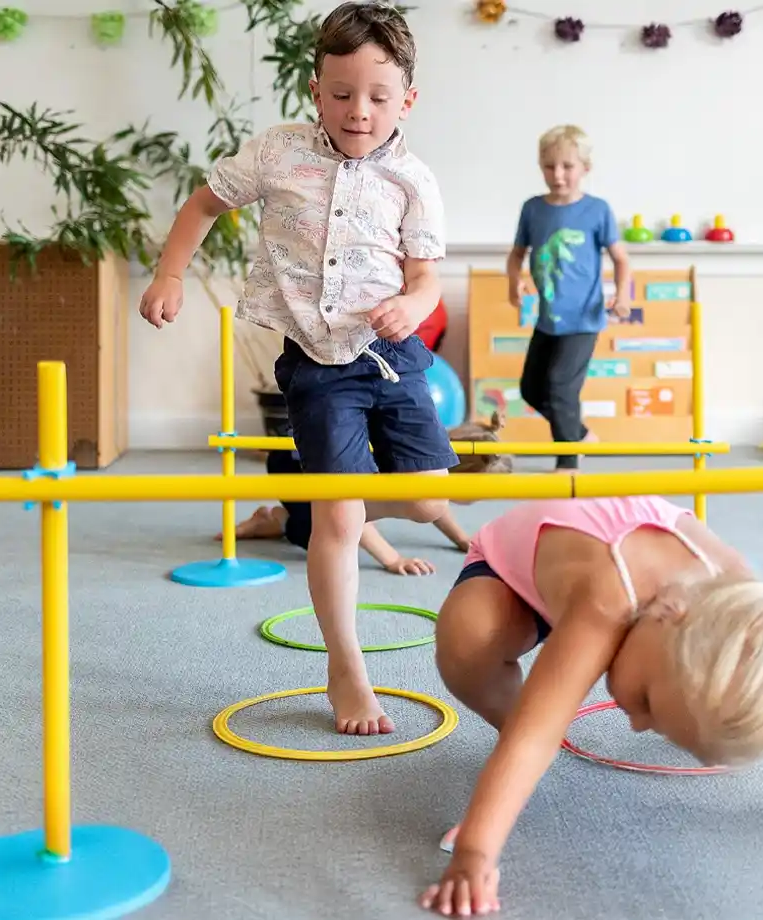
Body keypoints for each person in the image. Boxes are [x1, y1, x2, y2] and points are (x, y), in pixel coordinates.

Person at [139, 2, 456, 736]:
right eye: (341, 93)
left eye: (378, 97)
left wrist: (414, 303)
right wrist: (171, 276)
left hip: (393, 352)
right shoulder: (278, 152)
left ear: (407, 99)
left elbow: (428, 277)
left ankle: (301, 508)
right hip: (315, 359)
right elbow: (202, 205)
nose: (358, 111)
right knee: (341, 520)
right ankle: (346, 669)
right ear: (315, 90)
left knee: (426, 495)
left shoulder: (413, 179)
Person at [420, 497, 763, 915]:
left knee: (751, 687)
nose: (633, 724)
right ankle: (512, 712)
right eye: (648, 703)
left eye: (654, 722)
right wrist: (476, 853)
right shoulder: (608, 602)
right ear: (666, 616)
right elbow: (534, 739)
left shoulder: (744, 605)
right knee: (472, 641)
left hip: (607, 588)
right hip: (513, 575)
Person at [220, 411, 514, 572]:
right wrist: (392, 558)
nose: (479, 502)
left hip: (315, 447)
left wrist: (462, 539)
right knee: (333, 531)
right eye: (479, 494)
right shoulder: (399, 462)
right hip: (294, 462)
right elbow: (356, 509)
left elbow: (435, 502)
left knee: (337, 521)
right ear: (459, 476)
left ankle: (281, 518)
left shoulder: (426, 457)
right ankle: (276, 519)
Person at [507, 125, 632, 472]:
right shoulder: (533, 209)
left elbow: (621, 258)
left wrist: (621, 295)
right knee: (532, 389)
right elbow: (517, 254)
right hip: (548, 319)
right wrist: (513, 283)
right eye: (549, 166)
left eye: (567, 166)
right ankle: (577, 432)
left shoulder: (597, 210)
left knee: (561, 387)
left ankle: (568, 462)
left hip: (583, 319)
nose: (557, 175)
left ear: (585, 169)